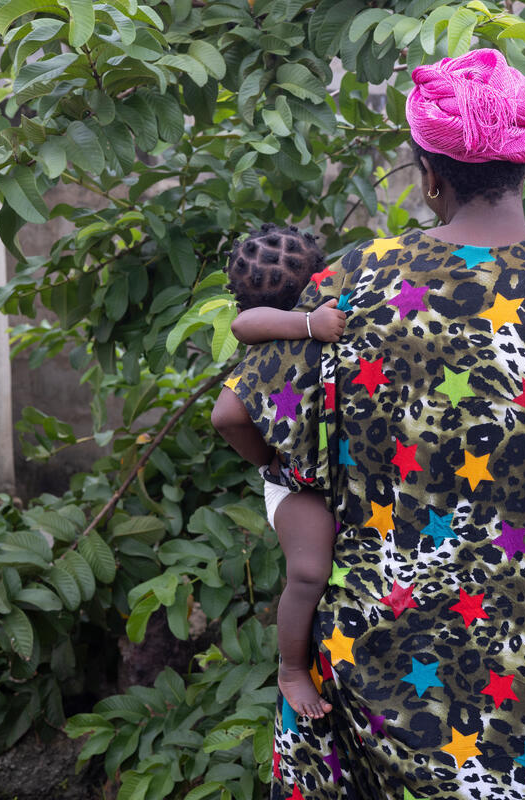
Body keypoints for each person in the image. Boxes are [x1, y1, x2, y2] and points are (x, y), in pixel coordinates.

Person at [213, 47, 525, 800]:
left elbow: (241, 407)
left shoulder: (354, 280)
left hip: (383, 653)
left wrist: (293, 489)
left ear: (429, 176)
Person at [211, 223, 348, 719]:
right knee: (309, 573)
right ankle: (291, 669)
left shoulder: (332, 307)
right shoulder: (270, 335)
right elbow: (226, 411)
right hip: (296, 484)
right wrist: (267, 462)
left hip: (334, 479)